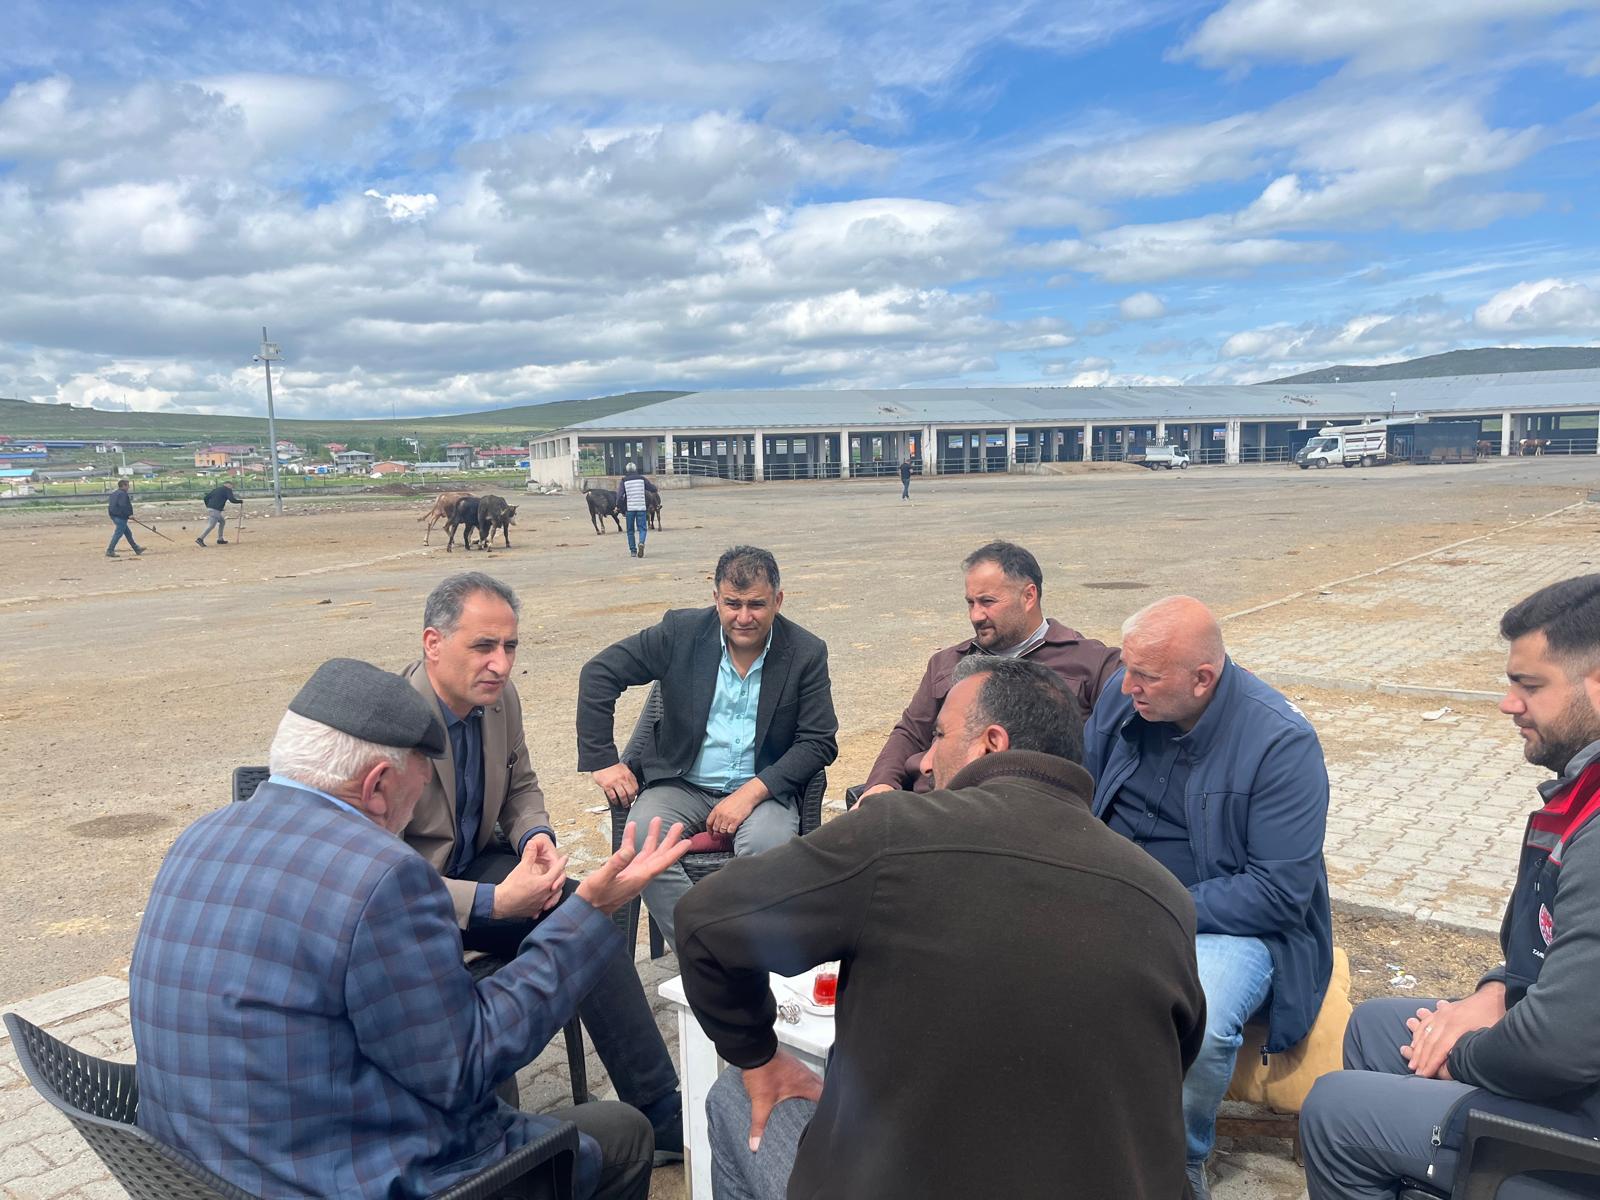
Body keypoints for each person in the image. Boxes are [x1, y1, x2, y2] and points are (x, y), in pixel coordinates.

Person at [129, 656, 691, 1200]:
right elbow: (465, 1066)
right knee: (621, 1135)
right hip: (339, 1176)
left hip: (196, 1171)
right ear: (377, 785)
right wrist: (587, 914)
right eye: (417, 792)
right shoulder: (381, 877)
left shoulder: (200, 836)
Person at [678, 656, 1205, 1200]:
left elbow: (704, 923)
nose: (924, 761)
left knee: (733, 1095)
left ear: (991, 744)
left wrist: (757, 1053)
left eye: (939, 736)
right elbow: (1174, 1061)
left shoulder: (894, 834)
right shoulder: (1165, 897)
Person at [1300, 574, 1600, 1200]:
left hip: (1583, 1119)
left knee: (1335, 1110)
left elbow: (1558, 1046)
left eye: (1530, 686)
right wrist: (1497, 990)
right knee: (1375, 1027)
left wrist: (1463, 1051)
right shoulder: (1579, 795)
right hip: (1574, 1059)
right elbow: (1544, 951)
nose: (1508, 704)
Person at [400, 572, 686, 1161]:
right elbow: (379, 876)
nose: (501, 664)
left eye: (510, 647)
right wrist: (493, 903)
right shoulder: (394, 724)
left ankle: (659, 1111)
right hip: (412, 901)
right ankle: (492, 1150)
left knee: (587, 920)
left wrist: (536, 838)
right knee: (569, 923)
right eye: (483, 646)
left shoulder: (498, 699)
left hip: (482, 865)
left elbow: (522, 786)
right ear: (433, 643)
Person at [1083, 594, 1331, 1200]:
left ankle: (1179, 1162)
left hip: (1230, 924)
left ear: (1202, 679)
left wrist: (1154, 905)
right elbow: (1078, 792)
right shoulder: (1124, 701)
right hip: (1115, 894)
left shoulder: (1280, 743)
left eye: (1146, 675)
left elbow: (1279, 893)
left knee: (1206, 1018)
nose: (1126, 687)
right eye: (1127, 668)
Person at [577, 545, 838, 951]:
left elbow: (819, 741)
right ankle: (706, 952)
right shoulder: (679, 633)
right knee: (642, 841)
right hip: (681, 783)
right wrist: (603, 760)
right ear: (716, 598)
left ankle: (752, 954)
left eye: (757, 605)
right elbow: (599, 673)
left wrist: (751, 794)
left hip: (762, 790)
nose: (744, 617)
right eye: (733, 604)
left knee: (769, 851)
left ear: (778, 600)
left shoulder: (805, 652)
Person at [860, 540, 1121, 797]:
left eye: (987, 601)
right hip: (938, 803)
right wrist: (880, 784)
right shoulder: (946, 663)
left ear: (1029, 596)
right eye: (970, 603)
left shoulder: (1094, 663)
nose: (976, 615)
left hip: (1034, 807)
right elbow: (910, 733)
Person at [618, 461, 658, 559]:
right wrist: (654, 487)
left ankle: (633, 551)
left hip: (630, 509)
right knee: (642, 528)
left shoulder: (624, 480)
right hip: (641, 508)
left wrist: (621, 508)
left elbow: (619, 496)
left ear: (626, 470)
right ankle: (641, 543)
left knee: (630, 530)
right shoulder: (642, 479)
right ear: (636, 469)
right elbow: (652, 489)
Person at [194, 480, 242, 546]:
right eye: (232, 486)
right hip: (215, 510)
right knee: (211, 525)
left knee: (222, 521)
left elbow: (205, 498)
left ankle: (220, 539)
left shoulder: (216, 489)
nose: (232, 488)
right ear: (228, 485)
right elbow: (232, 500)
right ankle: (200, 539)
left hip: (211, 509)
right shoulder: (227, 490)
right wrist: (240, 501)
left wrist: (209, 506)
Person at [105, 479, 144, 558]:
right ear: (123, 486)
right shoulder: (123, 494)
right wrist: (129, 514)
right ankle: (110, 550)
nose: (128, 487)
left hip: (114, 515)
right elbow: (123, 505)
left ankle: (136, 548)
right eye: (127, 485)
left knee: (128, 533)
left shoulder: (114, 493)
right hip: (120, 516)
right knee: (118, 533)